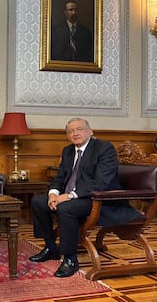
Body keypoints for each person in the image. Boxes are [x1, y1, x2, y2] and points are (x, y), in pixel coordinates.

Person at [29, 118, 142, 277]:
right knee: (38, 202)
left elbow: (101, 182)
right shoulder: (68, 151)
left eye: (79, 129)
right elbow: (60, 178)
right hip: (74, 197)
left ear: (90, 131)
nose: (75, 133)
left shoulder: (104, 148)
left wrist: (68, 196)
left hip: (99, 199)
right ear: (67, 135)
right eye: (70, 131)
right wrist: (53, 194)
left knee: (65, 208)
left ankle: (70, 259)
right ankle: (50, 248)